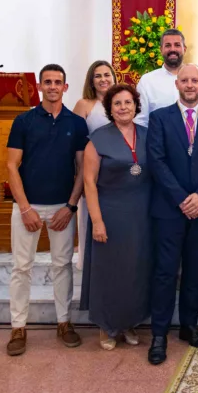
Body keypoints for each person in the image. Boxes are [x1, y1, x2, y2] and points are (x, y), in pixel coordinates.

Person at [5, 64, 89, 356]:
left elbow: (81, 169)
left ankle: (64, 323)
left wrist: (70, 206)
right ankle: (18, 327)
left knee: (62, 266)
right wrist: (25, 208)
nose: (53, 86)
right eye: (47, 82)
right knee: (21, 267)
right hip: (27, 205)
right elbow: (11, 166)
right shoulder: (24, 121)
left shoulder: (76, 123)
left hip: (61, 207)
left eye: (58, 82)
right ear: (39, 86)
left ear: (66, 87)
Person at [147, 63, 198, 365]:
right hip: (169, 208)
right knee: (166, 272)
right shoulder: (159, 118)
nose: (190, 85)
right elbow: (156, 160)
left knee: (194, 270)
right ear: (176, 84)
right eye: (185, 81)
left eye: (195, 80)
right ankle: (158, 333)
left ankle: (189, 325)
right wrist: (182, 198)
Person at [80, 84, 152, 350]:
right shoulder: (97, 139)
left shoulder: (148, 135)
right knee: (109, 271)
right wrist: (96, 221)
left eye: (128, 102)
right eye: (117, 103)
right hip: (109, 213)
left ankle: (129, 323)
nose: (123, 107)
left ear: (136, 106)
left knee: (136, 270)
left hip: (141, 214)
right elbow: (89, 182)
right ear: (109, 109)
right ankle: (107, 327)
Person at [73, 60, 116, 271]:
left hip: (117, 172)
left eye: (107, 75)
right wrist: (79, 177)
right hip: (91, 170)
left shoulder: (120, 102)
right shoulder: (84, 104)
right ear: (91, 80)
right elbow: (76, 143)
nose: (103, 79)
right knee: (90, 221)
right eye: (98, 76)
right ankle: (89, 268)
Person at [133, 29, 198, 127]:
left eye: (177, 45)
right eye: (168, 45)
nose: (172, 49)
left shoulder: (197, 80)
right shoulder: (147, 82)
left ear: (184, 49)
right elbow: (140, 122)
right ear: (161, 50)